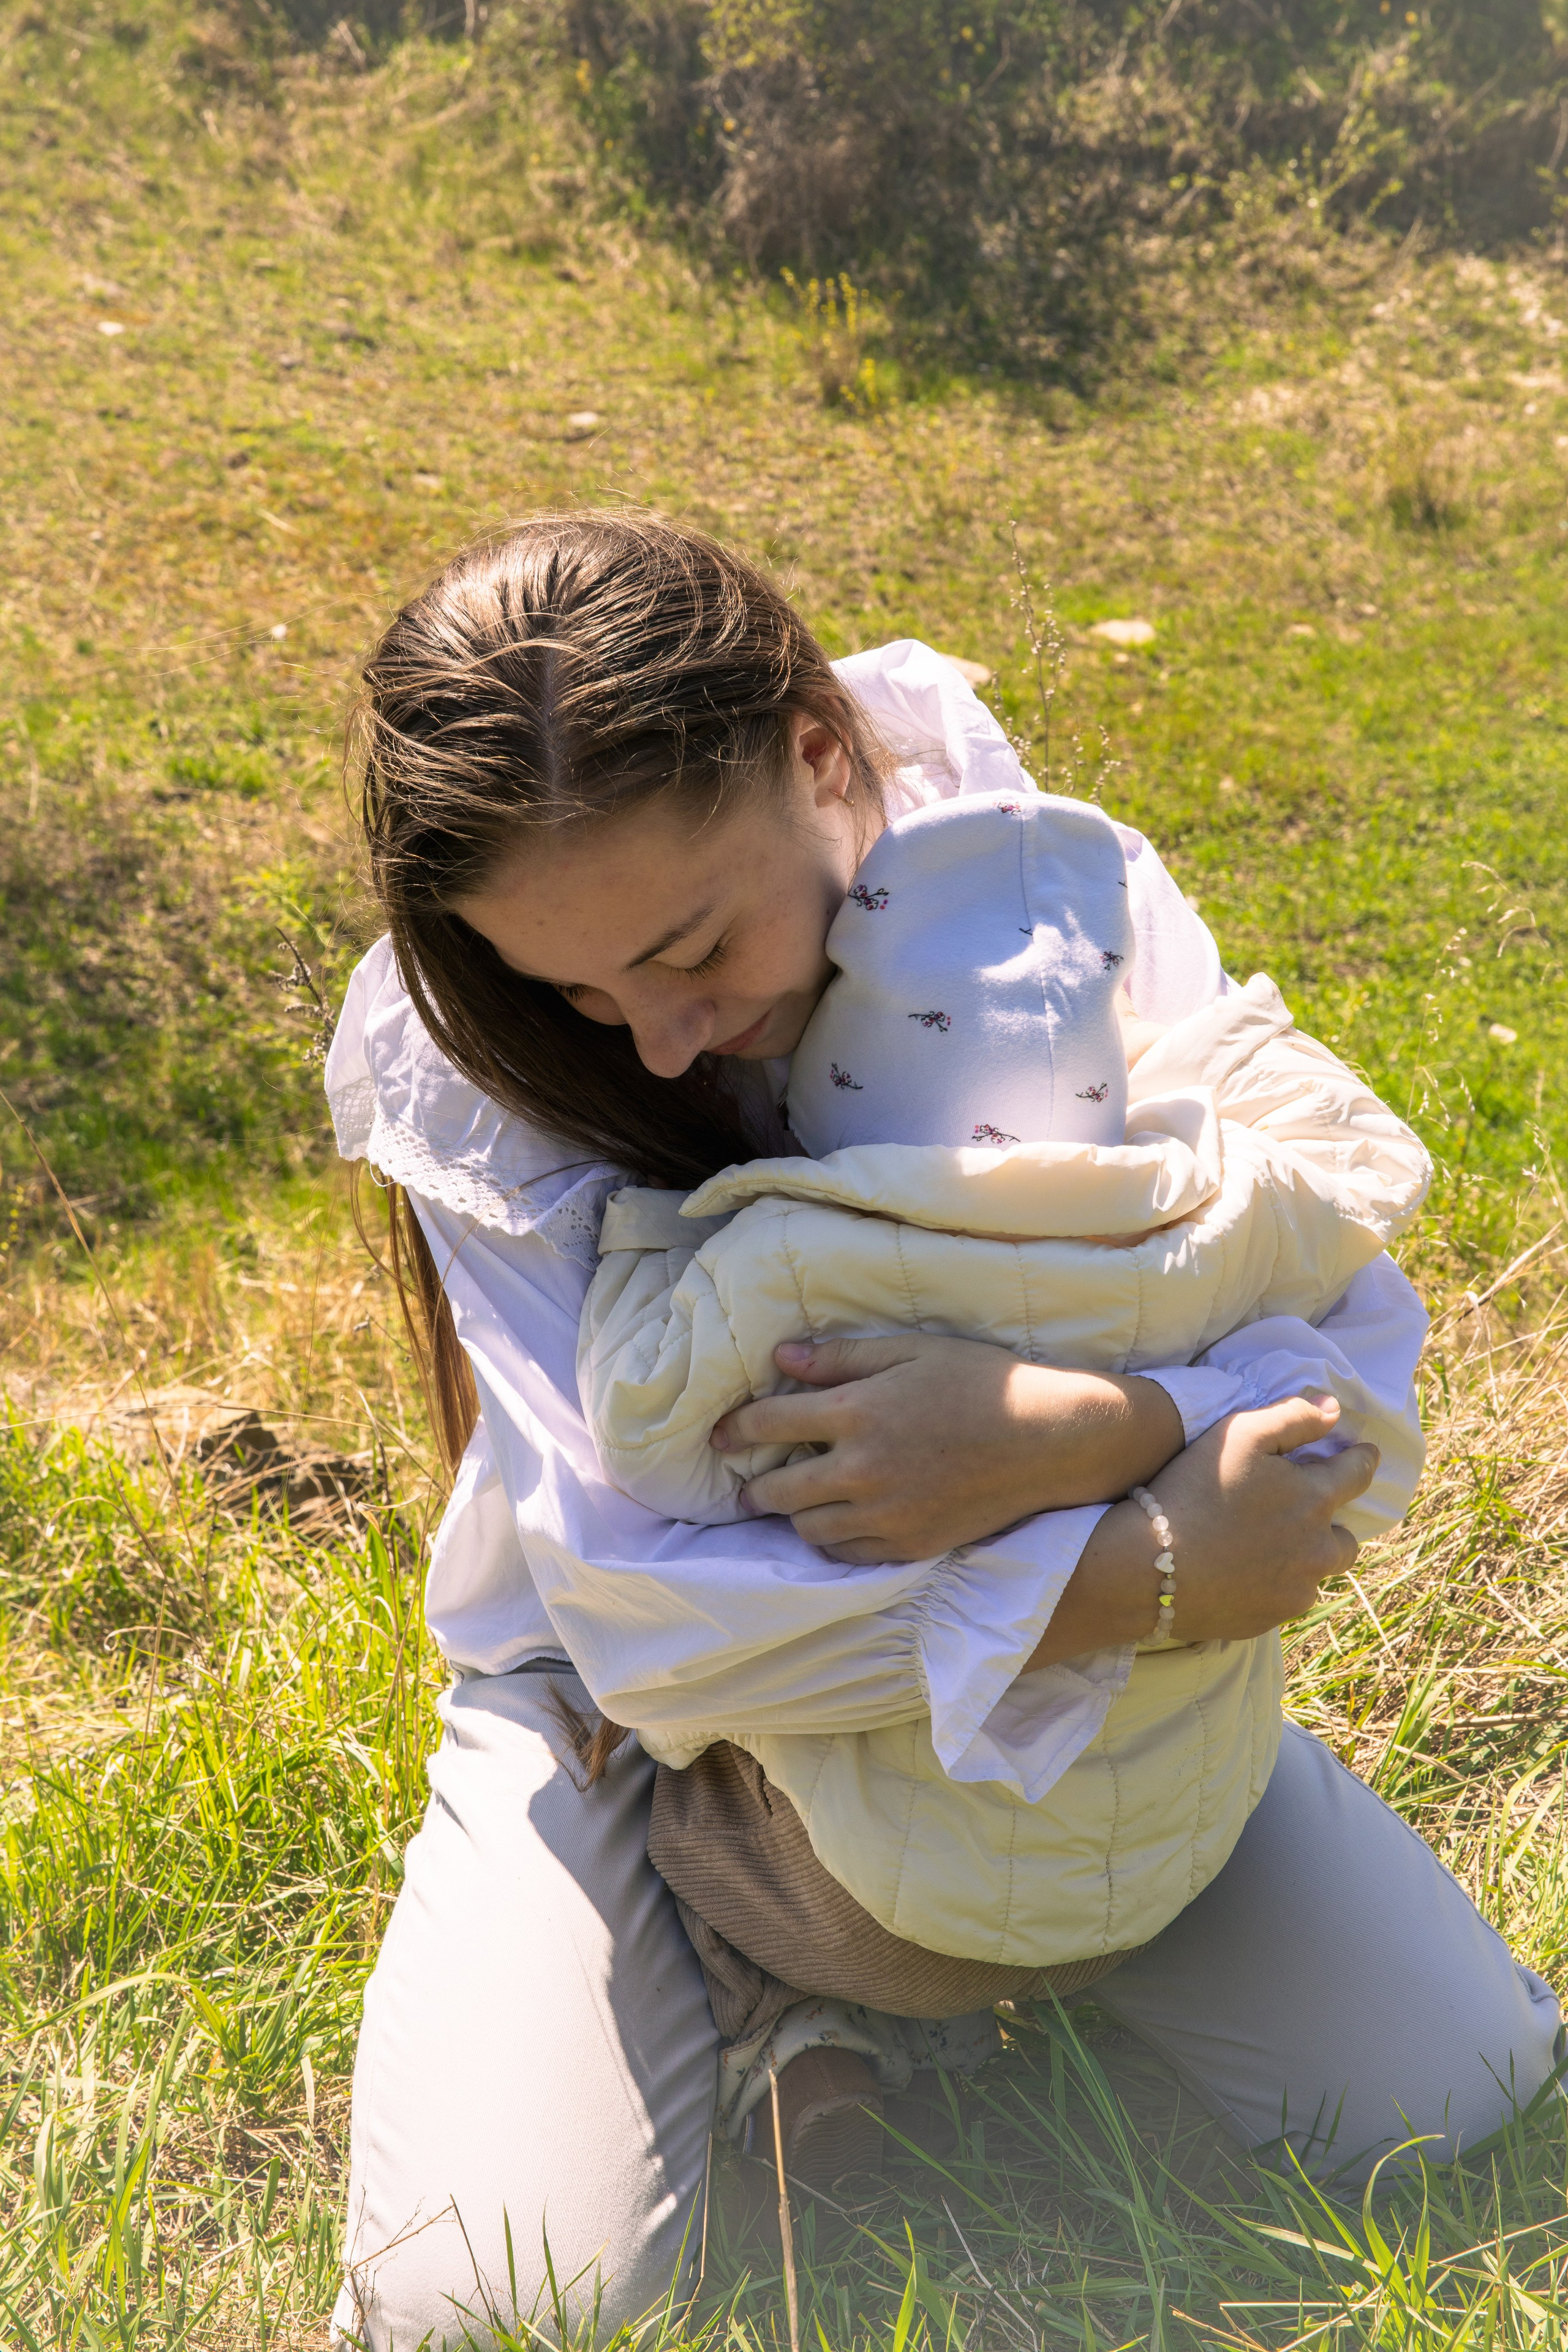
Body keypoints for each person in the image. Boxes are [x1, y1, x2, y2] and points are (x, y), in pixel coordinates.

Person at [325, 511, 1561, 2351]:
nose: (651, 1047)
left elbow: (1351, 1376)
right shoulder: (469, 1070)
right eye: (574, 993)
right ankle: (751, 1962)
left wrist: (1088, 1426)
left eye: (690, 944)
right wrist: (1134, 1569)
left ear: (822, 757)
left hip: (1097, 1685)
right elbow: (649, 1624)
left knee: (1447, 2093)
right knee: (486, 2304)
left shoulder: (1035, 890)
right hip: (625, 1715)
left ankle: (888, 1977)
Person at [575, 785, 1432, 2155]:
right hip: (1181, 1861)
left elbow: (646, 1433)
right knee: (1442, 2092)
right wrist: (1164, 1419)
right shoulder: (1212, 1226)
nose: (662, 1036)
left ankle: (791, 2024)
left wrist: (646, 1246)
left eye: (696, 953)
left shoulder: (792, 1254)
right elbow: (1364, 1173)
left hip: (886, 1902)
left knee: (694, 1801)